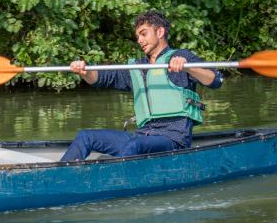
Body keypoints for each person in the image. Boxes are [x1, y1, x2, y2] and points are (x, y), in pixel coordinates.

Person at [61, 11, 222, 162]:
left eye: (143, 34)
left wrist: (188, 68)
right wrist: (84, 71)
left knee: (134, 146)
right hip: (143, 136)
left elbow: (215, 80)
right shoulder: (138, 66)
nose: (139, 40)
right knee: (86, 136)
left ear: (160, 32)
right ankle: (61, 177)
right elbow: (102, 78)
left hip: (173, 138)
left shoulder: (181, 57)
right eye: (138, 36)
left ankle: (114, 181)